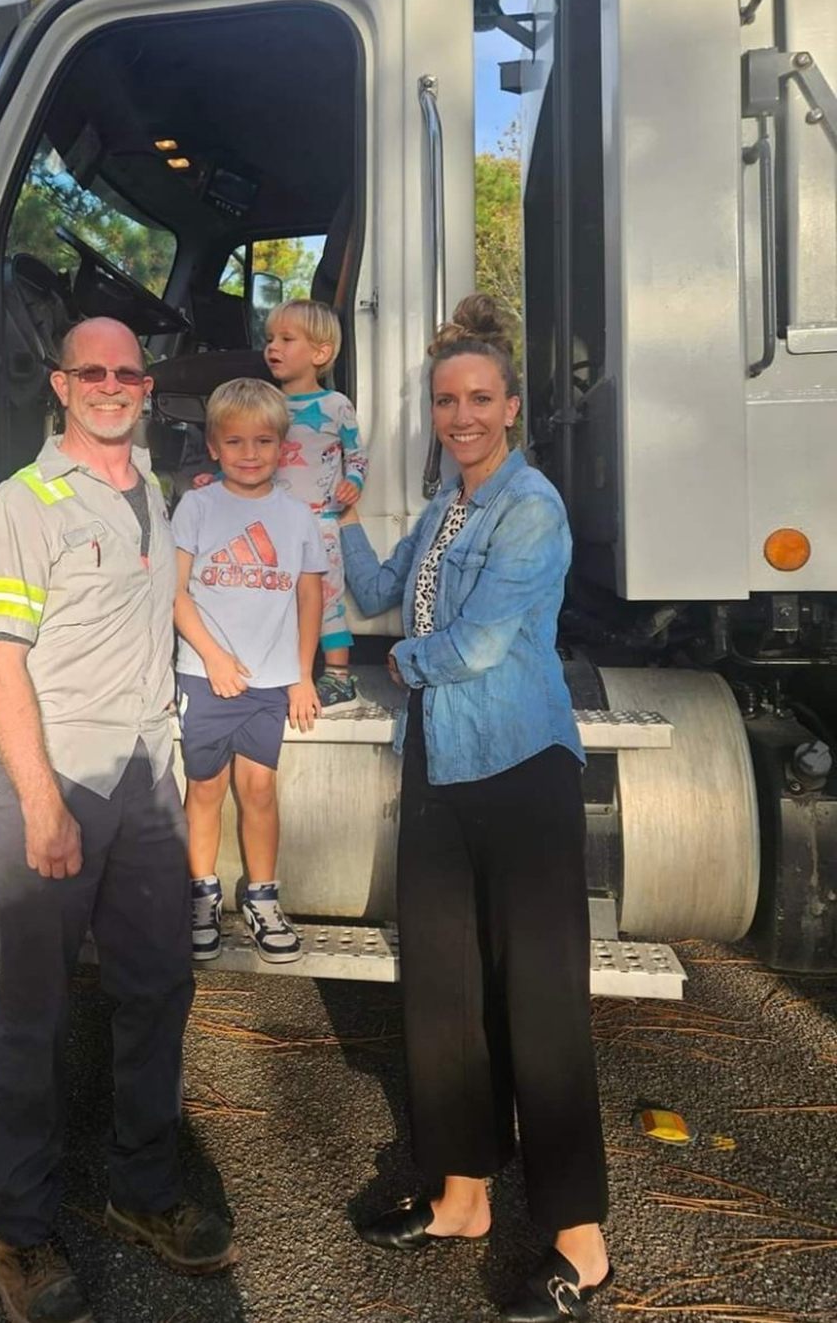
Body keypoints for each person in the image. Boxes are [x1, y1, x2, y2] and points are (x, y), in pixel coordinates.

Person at [340, 294, 612, 1323]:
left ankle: (581, 1247)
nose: (461, 415)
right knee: (444, 992)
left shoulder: (529, 505)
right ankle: (461, 1198)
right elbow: (378, 587)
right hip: (440, 767)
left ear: (510, 408)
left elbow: (480, 645)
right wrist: (326, 516)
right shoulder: (444, 510)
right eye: (446, 399)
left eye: (479, 399)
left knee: (538, 1001)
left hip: (516, 765)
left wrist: (399, 664)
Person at [0, 317, 234, 1323]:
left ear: (145, 385)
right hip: (51, 777)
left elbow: (160, 610)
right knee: (35, 1014)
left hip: (142, 775)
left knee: (157, 987)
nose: (112, 386)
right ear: (64, 388)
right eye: (93, 373)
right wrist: (40, 803)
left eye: (127, 372)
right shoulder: (22, 505)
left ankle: (140, 1188)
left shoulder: (150, 492)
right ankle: (16, 1236)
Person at [172, 377, 325, 965]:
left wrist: (302, 674)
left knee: (258, 789)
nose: (250, 454)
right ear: (214, 445)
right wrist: (212, 657)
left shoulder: (297, 516)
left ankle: (263, 899)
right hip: (204, 678)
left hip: (269, 681)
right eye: (236, 442)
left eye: (263, 442)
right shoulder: (198, 505)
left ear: (283, 448)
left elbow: (309, 598)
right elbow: (175, 592)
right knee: (205, 788)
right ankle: (200, 896)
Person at [263, 298, 368, 709]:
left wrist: (353, 482)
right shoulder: (266, 404)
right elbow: (250, 457)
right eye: (270, 338)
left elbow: (356, 453)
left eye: (287, 339)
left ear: (321, 353)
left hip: (322, 521)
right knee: (280, 595)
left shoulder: (335, 405)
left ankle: (339, 677)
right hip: (274, 522)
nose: (274, 346)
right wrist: (217, 479)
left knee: (326, 598)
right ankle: (289, 672)